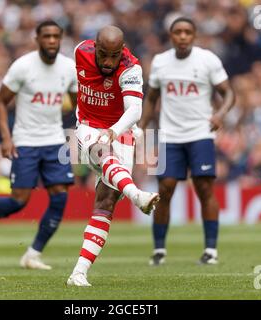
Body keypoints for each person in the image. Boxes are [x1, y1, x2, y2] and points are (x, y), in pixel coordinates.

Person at [0, 20, 78, 270]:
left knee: (60, 197)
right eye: (47, 36)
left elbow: (78, 103)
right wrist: (6, 137)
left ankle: (33, 254)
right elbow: (0, 102)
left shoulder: (69, 68)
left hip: (55, 140)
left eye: (56, 36)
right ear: (37, 39)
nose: (52, 41)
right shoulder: (23, 67)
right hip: (26, 141)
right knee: (19, 200)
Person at [66, 26, 160, 287]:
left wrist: (115, 131)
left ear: (123, 50)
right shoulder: (79, 52)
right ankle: (136, 195)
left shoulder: (131, 68)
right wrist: (104, 132)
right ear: (95, 47)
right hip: (86, 127)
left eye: (114, 55)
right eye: (104, 55)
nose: (108, 62)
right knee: (100, 148)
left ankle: (78, 273)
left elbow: (135, 109)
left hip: (119, 129)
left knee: (106, 200)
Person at [139, 17, 236, 266]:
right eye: (178, 32)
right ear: (171, 36)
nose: (182, 36)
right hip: (169, 135)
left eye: (187, 32)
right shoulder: (160, 62)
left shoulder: (208, 60)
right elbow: (151, 99)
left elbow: (228, 93)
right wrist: (142, 127)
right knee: (164, 189)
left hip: (200, 134)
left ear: (194, 35)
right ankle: (159, 250)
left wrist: (220, 114)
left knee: (204, 189)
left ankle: (210, 250)